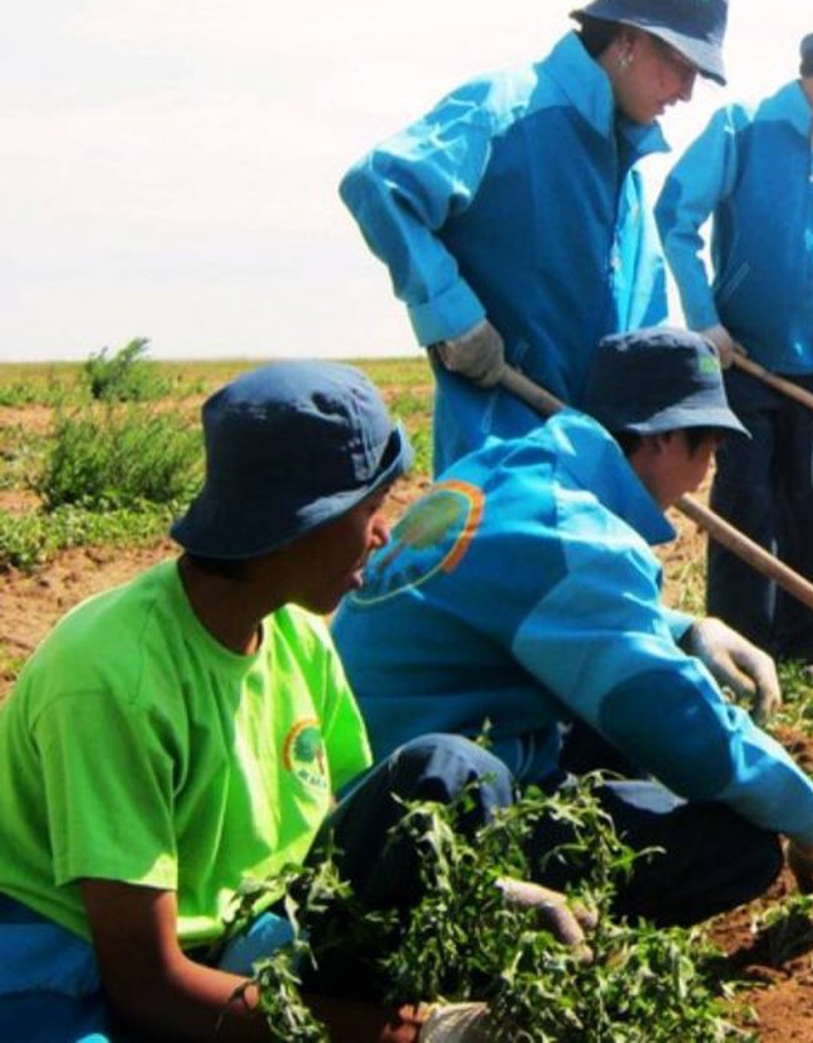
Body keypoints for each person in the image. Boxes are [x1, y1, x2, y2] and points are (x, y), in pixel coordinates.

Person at [0, 362, 499, 1041]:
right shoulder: (114, 675)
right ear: (299, 523)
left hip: (238, 933)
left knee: (455, 775)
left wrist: (499, 896)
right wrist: (396, 1032)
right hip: (77, 951)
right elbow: (147, 980)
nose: (381, 534)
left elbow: (341, 833)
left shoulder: (297, 635)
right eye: (367, 510)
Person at [330, 328, 813, 930]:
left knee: (613, 728)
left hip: (376, 780)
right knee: (738, 850)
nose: (705, 475)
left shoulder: (508, 467)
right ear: (664, 438)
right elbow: (685, 727)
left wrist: (686, 630)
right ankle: (533, 919)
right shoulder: (577, 535)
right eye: (707, 450)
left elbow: (533, 603)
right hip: (424, 820)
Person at [342, 0, 729, 474]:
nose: (686, 92)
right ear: (629, 39)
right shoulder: (510, 110)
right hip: (502, 458)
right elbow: (381, 184)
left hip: (591, 460)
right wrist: (453, 316)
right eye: (680, 65)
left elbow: (643, 321)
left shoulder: (628, 174)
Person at [655, 16, 813, 670]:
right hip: (744, 368)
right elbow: (675, 216)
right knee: (745, 514)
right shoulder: (743, 129)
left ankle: (811, 649)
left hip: (812, 379)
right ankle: (740, 652)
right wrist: (705, 320)